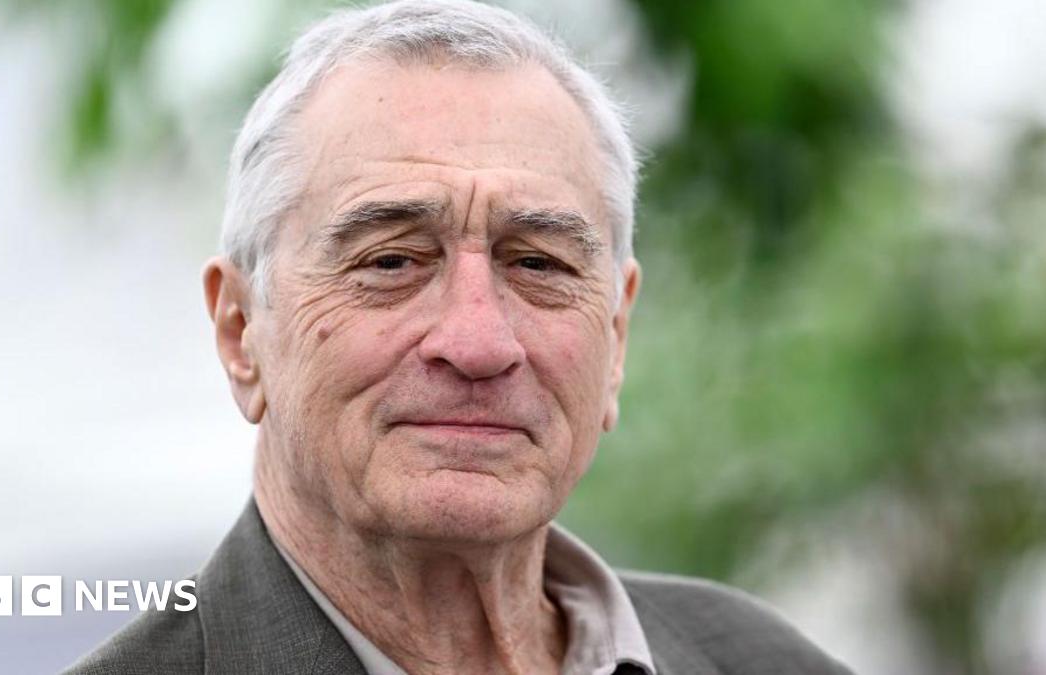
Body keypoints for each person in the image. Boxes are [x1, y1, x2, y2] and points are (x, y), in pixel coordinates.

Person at [67, 1, 852, 673]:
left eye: (538, 262)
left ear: (616, 335)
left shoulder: (762, 658)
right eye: (392, 260)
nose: (478, 343)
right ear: (242, 333)